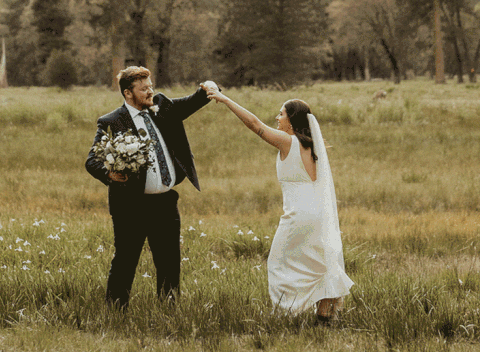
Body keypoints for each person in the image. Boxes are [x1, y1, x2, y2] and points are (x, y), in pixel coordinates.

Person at [206, 87, 353, 322]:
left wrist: (225, 100)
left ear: (292, 119)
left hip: (298, 214)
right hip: (318, 213)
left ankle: (285, 312)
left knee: (278, 263)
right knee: (320, 262)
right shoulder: (313, 145)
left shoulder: (288, 141)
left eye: (281, 114)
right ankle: (324, 317)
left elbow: (255, 125)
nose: (277, 118)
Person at [85, 67, 213, 307]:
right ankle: (115, 310)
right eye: (143, 88)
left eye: (150, 86)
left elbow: (188, 104)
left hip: (165, 202)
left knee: (169, 261)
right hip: (130, 204)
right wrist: (109, 174)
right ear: (128, 93)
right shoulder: (112, 121)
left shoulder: (161, 107)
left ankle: (168, 309)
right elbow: (92, 161)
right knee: (126, 259)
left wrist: (206, 90)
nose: (150, 91)